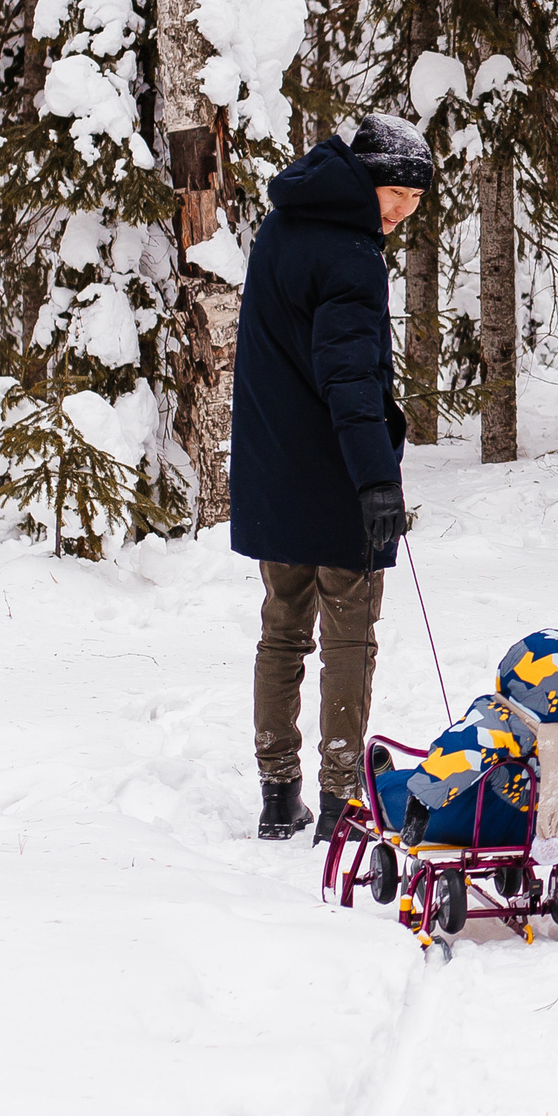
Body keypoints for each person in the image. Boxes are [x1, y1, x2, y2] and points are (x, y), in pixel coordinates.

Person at [231, 113, 432, 842]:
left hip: (273, 469)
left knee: (282, 628)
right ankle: (343, 803)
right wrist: (377, 479)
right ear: (365, 177)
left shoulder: (282, 228)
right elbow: (349, 378)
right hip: (335, 472)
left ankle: (278, 793)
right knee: (349, 634)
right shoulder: (350, 253)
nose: (402, 210)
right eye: (396, 192)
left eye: (415, 200)